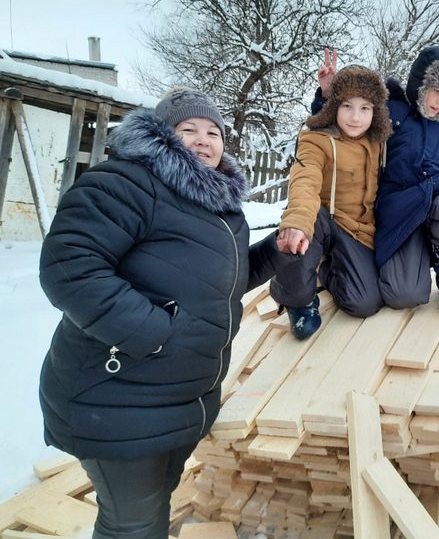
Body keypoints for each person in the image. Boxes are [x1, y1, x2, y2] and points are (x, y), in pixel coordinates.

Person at [38, 87, 290, 539]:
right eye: (189, 129)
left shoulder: (217, 207)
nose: (204, 140)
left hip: (177, 400)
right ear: (162, 135)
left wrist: (276, 253)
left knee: (149, 514)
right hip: (115, 397)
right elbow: (69, 267)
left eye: (213, 132)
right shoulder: (124, 183)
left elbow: (216, 285)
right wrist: (153, 332)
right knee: (130, 525)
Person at [313, 45, 439, 315]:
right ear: (421, 83)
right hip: (400, 211)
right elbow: (347, 126)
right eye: (437, 90)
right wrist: (327, 96)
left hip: (436, 207)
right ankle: (333, 267)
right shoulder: (392, 111)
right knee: (403, 295)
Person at [272, 64, 392, 339]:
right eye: (347, 106)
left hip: (356, 230)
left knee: (364, 303)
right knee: (303, 223)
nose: (355, 117)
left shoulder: (379, 141)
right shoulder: (316, 138)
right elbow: (305, 179)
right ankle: (295, 298)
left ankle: (326, 269)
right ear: (335, 105)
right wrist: (297, 222)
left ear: (375, 111)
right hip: (321, 221)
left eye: (365, 108)